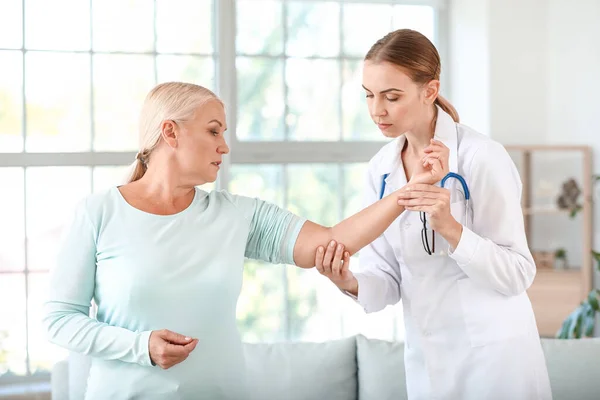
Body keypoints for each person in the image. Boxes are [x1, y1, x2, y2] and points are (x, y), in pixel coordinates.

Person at [43, 81, 449, 399]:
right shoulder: (98, 213)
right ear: (170, 132)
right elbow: (60, 319)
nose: (225, 145)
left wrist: (409, 191)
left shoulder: (238, 215)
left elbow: (331, 241)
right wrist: (139, 346)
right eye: (213, 130)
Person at [315, 29, 552, 400]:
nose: (377, 110)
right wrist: (348, 281)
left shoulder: (481, 157)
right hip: (428, 362)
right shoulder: (380, 170)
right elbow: (387, 279)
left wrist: (452, 229)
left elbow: (518, 273)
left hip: (494, 364)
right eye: (369, 96)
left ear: (429, 90)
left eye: (392, 97)